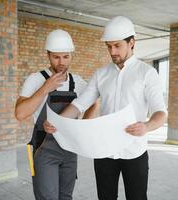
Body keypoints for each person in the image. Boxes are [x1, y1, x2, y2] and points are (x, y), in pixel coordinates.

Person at [44, 16, 167, 200]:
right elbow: (79, 104)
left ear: (131, 43)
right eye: (109, 46)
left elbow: (161, 112)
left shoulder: (147, 73)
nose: (112, 51)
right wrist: (58, 121)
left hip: (134, 151)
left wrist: (147, 126)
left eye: (117, 46)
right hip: (104, 150)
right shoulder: (101, 74)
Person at [15, 29, 97, 200]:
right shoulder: (36, 79)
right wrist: (45, 88)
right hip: (44, 150)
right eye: (56, 57)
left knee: (66, 196)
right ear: (48, 55)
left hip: (69, 150)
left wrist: (81, 127)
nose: (61, 62)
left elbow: (94, 102)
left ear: (71, 55)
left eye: (66, 57)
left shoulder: (77, 82)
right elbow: (20, 113)